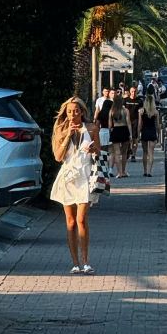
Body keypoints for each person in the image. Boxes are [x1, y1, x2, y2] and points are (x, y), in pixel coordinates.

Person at [50, 98, 99, 273]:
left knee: (81, 220)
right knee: (70, 222)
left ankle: (86, 262)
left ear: (82, 112)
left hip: (85, 176)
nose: (73, 115)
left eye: (76, 111)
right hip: (68, 177)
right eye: (70, 111)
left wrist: (93, 149)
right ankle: (75, 263)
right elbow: (57, 156)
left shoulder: (92, 128)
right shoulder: (60, 129)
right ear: (65, 113)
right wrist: (67, 136)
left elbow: (98, 151)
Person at [108, 90, 132, 177]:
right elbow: (129, 123)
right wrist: (131, 134)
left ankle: (119, 173)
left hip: (116, 131)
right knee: (124, 153)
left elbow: (110, 125)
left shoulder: (111, 111)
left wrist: (110, 132)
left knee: (117, 153)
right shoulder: (126, 110)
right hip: (124, 130)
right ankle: (124, 171)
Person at [139, 87, 160, 176]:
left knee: (144, 152)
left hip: (144, 131)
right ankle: (149, 171)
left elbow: (140, 124)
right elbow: (157, 125)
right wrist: (158, 134)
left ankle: (144, 171)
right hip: (152, 131)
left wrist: (138, 133)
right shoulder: (155, 112)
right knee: (151, 153)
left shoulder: (141, 111)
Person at [124, 85, 141, 162]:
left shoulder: (139, 101)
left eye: (135, 91)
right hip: (126, 122)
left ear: (137, 92)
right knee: (127, 138)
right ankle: (128, 150)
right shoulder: (125, 100)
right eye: (132, 91)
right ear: (129, 92)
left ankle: (133, 154)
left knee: (135, 139)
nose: (133, 93)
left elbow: (141, 112)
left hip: (135, 121)